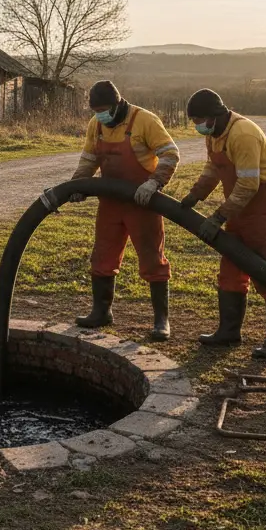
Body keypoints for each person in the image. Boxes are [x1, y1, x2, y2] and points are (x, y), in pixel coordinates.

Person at [180, 88, 266, 359]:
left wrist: (218, 217)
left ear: (214, 115)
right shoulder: (216, 134)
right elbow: (214, 168)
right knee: (231, 267)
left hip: (264, 204)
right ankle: (229, 332)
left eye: (199, 120)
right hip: (238, 206)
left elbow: (250, 184)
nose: (197, 126)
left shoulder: (243, 134)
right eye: (194, 121)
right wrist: (196, 194)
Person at [70, 80, 180, 340]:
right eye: (96, 110)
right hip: (110, 203)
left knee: (153, 259)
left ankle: (161, 321)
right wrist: (76, 185)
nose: (100, 115)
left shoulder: (145, 121)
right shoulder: (96, 125)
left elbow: (170, 154)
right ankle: (101, 312)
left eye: (104, 109)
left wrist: (154, 182)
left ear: (118, 104)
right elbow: (88, 159)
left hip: (142, 202)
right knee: (102, 257)